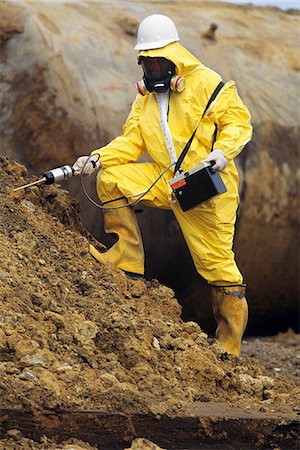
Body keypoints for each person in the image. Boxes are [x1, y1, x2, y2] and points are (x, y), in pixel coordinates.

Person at [73, 14, 253, 357]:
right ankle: (126, 258)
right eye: (148, 63)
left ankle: (229, 348)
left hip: (207, 190)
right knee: (112, 178)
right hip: (166, 179)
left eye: (160, 61)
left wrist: (220, 153)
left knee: (217, 265)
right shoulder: (146, 100)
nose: (154, 69)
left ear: (174, 57)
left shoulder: (206, 84)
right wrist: (97, 158)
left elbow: (238, 123)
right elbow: (131, 142)